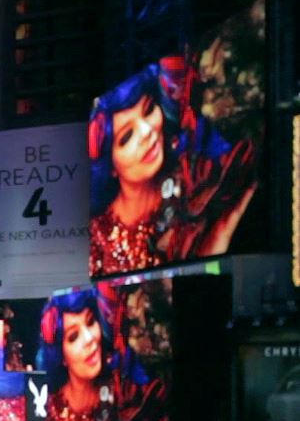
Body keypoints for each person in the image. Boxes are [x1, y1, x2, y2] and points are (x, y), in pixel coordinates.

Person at [87, 56, 257, 276]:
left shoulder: (195, 181)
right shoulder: (96, 238)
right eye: (127, 136)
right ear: (110, 166)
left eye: (148, 110)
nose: (147, 131)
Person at [37, 287, 169, 421]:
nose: (90, 338)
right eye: (74, 336)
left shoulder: (127, 393)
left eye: (91, 321)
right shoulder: (47, 410)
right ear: (61, 356)